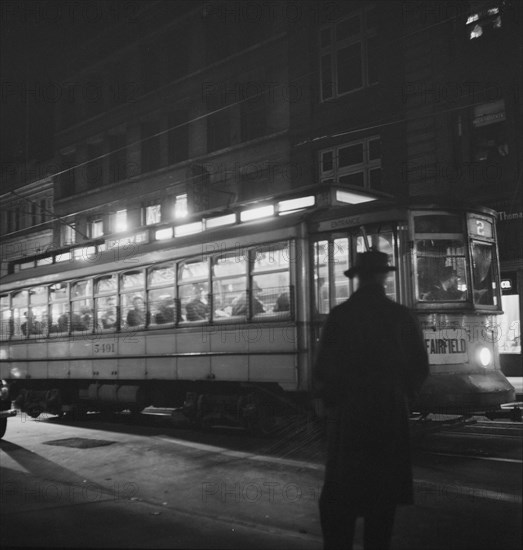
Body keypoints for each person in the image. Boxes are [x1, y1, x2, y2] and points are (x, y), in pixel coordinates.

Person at [313, 249, 429, 550]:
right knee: (382, 505)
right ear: (384, 277)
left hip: (350, 417)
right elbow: (419, 368)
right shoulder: (401, 316)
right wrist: (401, 397)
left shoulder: (340, 316)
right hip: (389, 416)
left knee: (341, 499)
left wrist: (330, 404)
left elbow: (323, 371)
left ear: (357, 279)